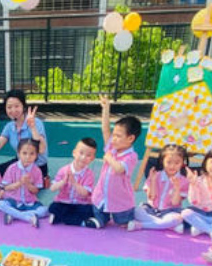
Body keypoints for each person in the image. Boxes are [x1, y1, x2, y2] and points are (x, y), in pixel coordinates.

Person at [90, 95, 140, 230]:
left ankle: (137, 217)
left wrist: (108, 157)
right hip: (102, 195)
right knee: (98, 214)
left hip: (121, 199)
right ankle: (100, 220)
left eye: (118, 136)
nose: (113, 139)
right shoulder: (112, 147)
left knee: (123, 223)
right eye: (114, 135)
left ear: (130, 138)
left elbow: (119, 169)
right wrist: (106, 109)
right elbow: (105, 130)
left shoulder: (131, 156)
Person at [0, 89, 49, 178]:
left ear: (23, 106)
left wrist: (32, 127)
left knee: (17, 183)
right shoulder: (10, 126)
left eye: (17, 106)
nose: (13, 110)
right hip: (19, 164)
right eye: (9, 107)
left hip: (37, 166)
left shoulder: (36, 122)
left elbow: (41, 149)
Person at [134, 144, 189, 231]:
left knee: (177, 218)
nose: (172, 166)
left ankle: (143, 225)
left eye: (177, 163)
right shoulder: (156, 175)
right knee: (136, 211)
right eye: (169, 162)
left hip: (170, 212)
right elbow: (151, 197)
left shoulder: (184, 181)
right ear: (162, 161)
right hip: (151, 210)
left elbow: (175, 203)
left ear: (182, 163)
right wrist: (153, 181)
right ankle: (167, 225)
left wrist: (177, 187)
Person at [0, 139, 49, 228]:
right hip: (13, 200)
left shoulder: (37, 170)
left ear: (36, 155)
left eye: (32, 154)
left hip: (30, 201)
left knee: (45, 210)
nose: (28, 157)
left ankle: (14, 215)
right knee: (0, 204)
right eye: (24, 153)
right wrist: (19, 183)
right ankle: (28, 217)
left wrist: (28, 184)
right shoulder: (12, 168)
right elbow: (6, 188)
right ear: (18, 153)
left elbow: (36, 191)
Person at [48, 137, 98, 227]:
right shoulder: (64, 170)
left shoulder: (89, 174)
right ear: (74, 153)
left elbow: (85, 194)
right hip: (64, 202)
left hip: (81, 204)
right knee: (53, 207)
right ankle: (77, 221)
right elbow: (52, 188)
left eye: (88, 155)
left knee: (91, 210)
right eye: (81, 153)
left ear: (92, 158)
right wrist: (63, 182)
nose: (83, 158)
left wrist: (74, 183)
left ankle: (62, 218)